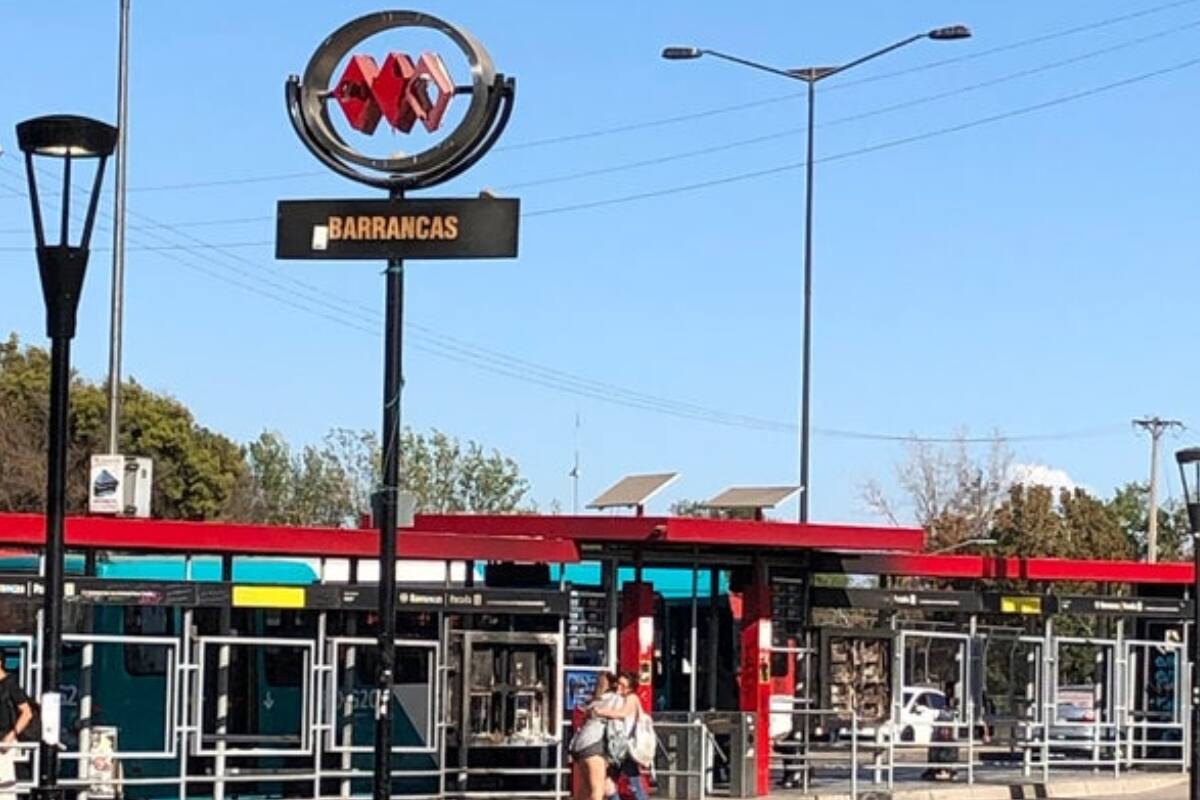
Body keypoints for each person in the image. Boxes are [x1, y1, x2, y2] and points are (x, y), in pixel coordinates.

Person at [591, 671, 650, 800]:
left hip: (625, 749)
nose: (619, 687)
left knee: (635, 785)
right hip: (618, 748)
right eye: (618, 683)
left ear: (630, 688)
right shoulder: (620, 698)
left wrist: (601, 712)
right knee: (609, 782)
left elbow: (623, 713)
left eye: (623, 685)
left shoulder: (632, 698)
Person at [570, 672, 621, 800]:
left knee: (585, 788)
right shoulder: (615, 699)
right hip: (595, 746)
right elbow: (624, 714)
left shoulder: (594, 701)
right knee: (597, 790)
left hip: (580, 745)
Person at [0, 651, 34, 800]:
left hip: (4, 740)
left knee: (5, 787)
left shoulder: (10, 684)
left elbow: (26, 712)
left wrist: (11, 735)